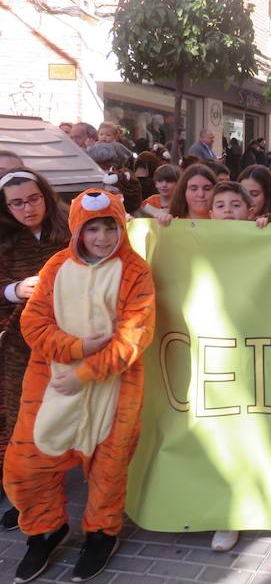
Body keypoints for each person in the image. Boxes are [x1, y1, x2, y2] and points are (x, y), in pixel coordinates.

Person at [5, 188, 155, 582]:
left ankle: (101, 534)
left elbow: (135, 335)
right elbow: (33, 322)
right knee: (25, 465)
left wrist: (87, 371)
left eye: (110, 227)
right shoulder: (56, 266)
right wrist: (77, 348)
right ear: (77, 230)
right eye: (93, 229)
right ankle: (44, 529)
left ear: (122, 227)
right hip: (50, 381)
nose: (102, 238)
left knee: (108, 469)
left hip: (116, 386)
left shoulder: (136, 271)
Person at [0, 169, 71, 532]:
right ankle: (25, 498)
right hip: (20, 347)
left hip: (68, 343)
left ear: (44, 195)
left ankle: (50, 493)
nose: (27, 209)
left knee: (62, 421)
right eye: (16, 203)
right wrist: (14, 290)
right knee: (20, 423)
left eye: (33, 199)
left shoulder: (70, 228)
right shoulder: (5, 240)